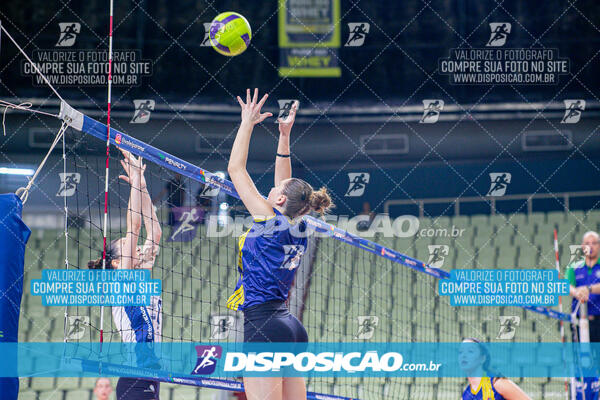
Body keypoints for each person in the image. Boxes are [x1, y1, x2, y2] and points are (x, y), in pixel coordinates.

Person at [226, 89, 333, 400]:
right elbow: (286, 183)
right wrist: (283, 137)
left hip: (265, 327)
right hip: (290, 328)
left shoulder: (272, 222)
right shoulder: (298, 224)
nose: (270, 189)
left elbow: (236, 169)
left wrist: (247, 122)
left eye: (275, 189)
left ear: (280, 200)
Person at [88, 149, 162, 400]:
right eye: (130, 247)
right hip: (135, 375)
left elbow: (155, 232)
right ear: (119, 263)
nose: (138, 247)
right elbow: (135, 226)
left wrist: (142, 185)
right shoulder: (122, 281)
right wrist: (136, 188)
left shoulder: (143, 278)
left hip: (152, 374)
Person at [567, 231, 600, 400]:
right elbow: (567, 286)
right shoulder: (574, 267)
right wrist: (577, 293)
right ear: (582, 247)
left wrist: (588, 289)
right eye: (588, 243)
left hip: (598, 321)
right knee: (582, 361)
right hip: (579, 323)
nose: (591, 246)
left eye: (594, 243)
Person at [460, 338, 531, 400]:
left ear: (482, 358)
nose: (464, 355)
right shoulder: (466, 395)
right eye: (461, 352)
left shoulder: (497, 383)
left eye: (470, 351)